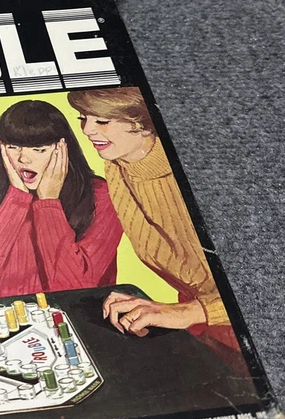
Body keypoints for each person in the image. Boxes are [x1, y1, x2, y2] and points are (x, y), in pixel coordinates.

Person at [66, 87, 245, 372]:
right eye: (83, 118)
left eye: (102, 120)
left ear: (142, 120)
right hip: (208, 329)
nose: (87, 130)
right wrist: (162, 310)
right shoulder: (118, 165)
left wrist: (190, 311)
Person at [0, 100, 123, 301]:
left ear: (62, 149)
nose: (24, 159)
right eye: (13, 147)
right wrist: (16, 198)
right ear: (1, 148)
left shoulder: (100, 194)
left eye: (39, 149)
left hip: (69, 312)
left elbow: (76, 288)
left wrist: (49, 202)